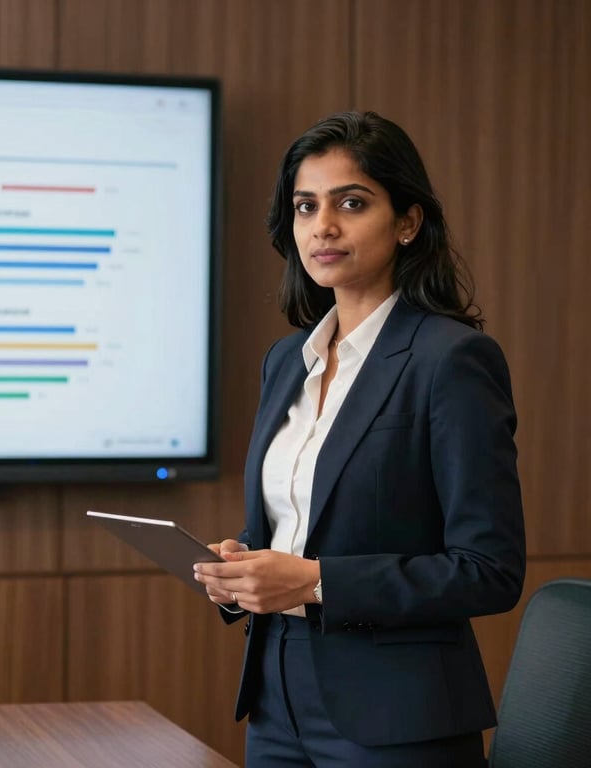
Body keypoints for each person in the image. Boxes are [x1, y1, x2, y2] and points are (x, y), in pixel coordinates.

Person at [193, 111, 525, 768]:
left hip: (397, 715)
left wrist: (315, 582)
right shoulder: (287, 360)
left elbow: (490, 572)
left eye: (352, 202)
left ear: (408, 222)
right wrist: (244, 569)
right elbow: (300, 529)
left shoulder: (451, 361)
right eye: (305, 206)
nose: (324, 225)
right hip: (276, 697)